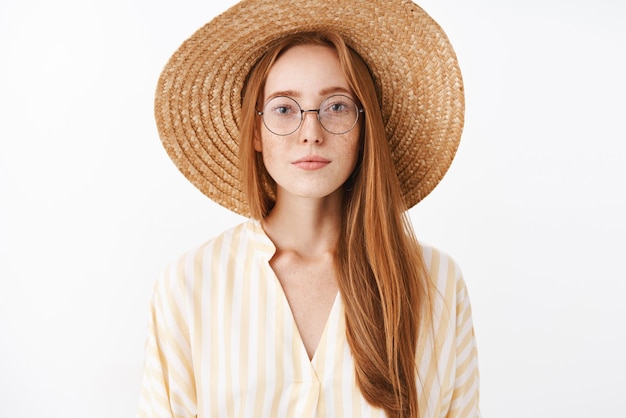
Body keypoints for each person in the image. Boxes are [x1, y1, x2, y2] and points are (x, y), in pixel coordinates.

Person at [138, 0, 480, 417]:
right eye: (284, 108)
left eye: (336, 106)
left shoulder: (436, 283)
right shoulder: (189, 284)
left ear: (364, 127)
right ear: (256, 133)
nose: (310, 133)